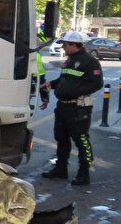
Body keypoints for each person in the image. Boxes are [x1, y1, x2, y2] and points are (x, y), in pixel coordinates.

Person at [40, 31, 103, 186]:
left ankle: (84, 173)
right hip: (63, 107)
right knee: (61, 139)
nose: (63, 47)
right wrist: (51, 84)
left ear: (74, 45)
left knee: (81, 140)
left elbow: (97, 83)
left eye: (65, 44)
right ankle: (61, 169)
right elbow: (64, 79)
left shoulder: (90, 61)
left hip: (78, 108)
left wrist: (75, 92)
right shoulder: (69, 61)